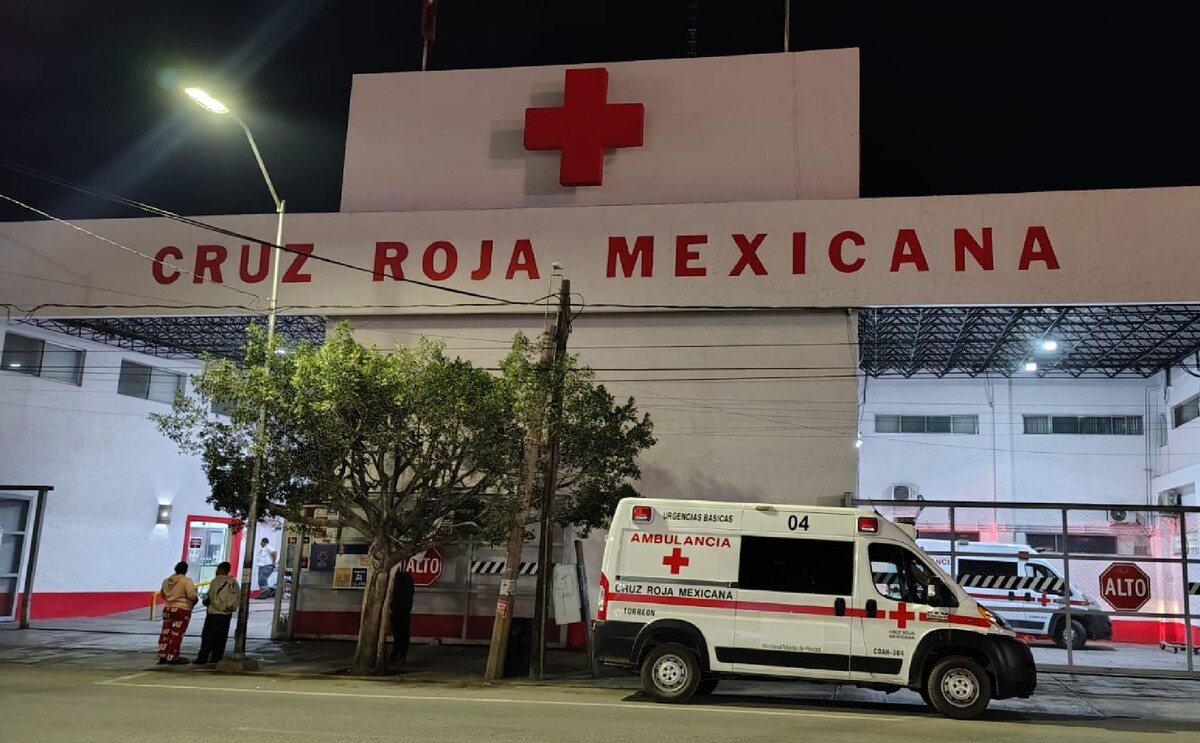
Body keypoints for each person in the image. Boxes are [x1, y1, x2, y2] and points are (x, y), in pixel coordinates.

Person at [195, 561, 238, 666]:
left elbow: (212, 597)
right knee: (221, 637)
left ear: (221, 569)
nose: (216, 571)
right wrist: (228, 608)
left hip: (214, 613)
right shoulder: (234, 582)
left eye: (218, 568)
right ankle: (216, 657)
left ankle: (203, 657)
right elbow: (237, 597)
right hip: (227, 614)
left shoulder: (216, 581)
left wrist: (219, 606)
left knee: (208, 636)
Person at [157, 561, 198, 665]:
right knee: (176, 634)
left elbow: (162, 594)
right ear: (185, 570)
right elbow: (191, 595)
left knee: (165, 633)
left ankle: (162, 655)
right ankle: (173, 656)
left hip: (168, 609)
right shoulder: (186, 581)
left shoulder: (166, 581)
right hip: (181, 609)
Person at [389, 566, 415, 664]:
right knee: (402, 632)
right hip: (403, 610)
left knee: (399, 632)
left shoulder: (397, 580)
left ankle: (397, 653)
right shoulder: (406, 579)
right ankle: (400, 654)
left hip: (398, 609)